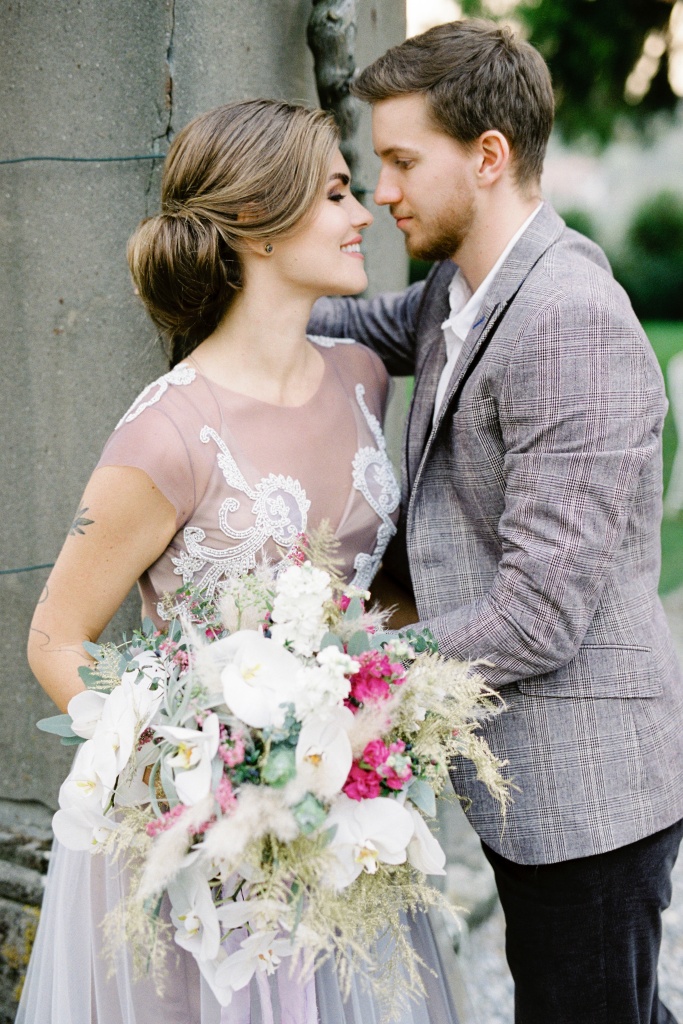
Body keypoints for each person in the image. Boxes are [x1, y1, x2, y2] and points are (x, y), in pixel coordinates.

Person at [19, 99, 459, 1024]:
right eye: (335, 193)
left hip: (342, 822)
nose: (363, 213)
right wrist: (194, 777)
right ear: (258, 225)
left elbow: (372, 588)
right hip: (205, 855)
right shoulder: (168, 432)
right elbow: (55, 636)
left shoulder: (361, 377)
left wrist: (383, 711)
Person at [308, 19, 683, 1024]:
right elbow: (353, 326)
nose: (381, 189)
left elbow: (534, 617)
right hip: (530, 779)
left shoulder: (566, 320)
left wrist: (342, 683)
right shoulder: (458, 288)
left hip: (590, 794)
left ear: (486, 156)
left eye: (401, 161)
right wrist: (248, 287)